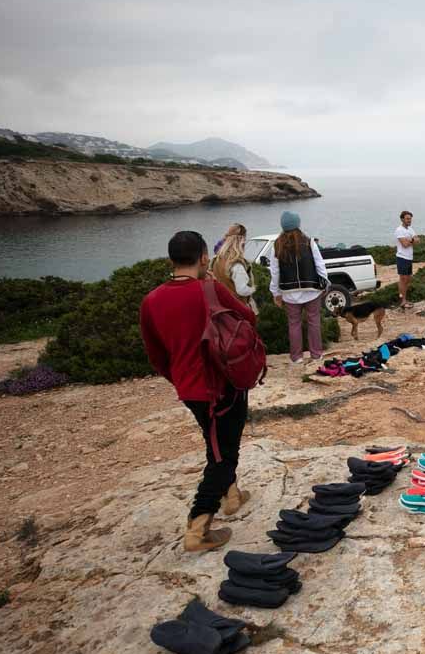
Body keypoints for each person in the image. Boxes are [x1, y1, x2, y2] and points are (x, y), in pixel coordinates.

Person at [140, 230, 258, 552]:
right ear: (205, 257)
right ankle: (198, 527)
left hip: (189, 389)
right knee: (224, 454)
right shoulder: (210, 288)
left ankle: (232, 496)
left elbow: (156, 354)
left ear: (171, 260)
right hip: (221, 386)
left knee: (216, 443)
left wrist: (179, 378)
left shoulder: (150, 301)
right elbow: (247, 316)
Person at [269, 211, 328, 364]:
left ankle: (296, 357)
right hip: (311, 289)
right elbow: (320, 265)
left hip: (289, 293)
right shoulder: (309, 242)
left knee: (293, 324)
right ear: (298, 224)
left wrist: (275, 293)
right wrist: (324, 284)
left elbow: (274, 272)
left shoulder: (277, 244)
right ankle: (316, 355)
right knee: (314, 322)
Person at [210, 223, 258, 313]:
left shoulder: (217, 259)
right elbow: (242, 290)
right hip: (238, 308)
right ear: (241, 242)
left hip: (222, 307)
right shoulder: (236, 265)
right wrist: (254, 288)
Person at [394, 210, 416, 309]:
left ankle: (404, 299)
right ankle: (402, 301)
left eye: (410, 219)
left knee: (407, 279)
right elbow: (405, 244)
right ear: (402, 219)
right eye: (407, 219)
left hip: (409, 258)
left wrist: (410, 240)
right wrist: (411, 240)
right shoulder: (399, 230)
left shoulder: (410, 229)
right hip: (402, 257)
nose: (409, 220)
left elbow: (418, 239)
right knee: (403, 279)